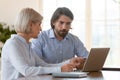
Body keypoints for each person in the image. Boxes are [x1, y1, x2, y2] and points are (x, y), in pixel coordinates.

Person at [1, 8, 83, 80]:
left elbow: (44, 65)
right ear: (30, 24)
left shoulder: (27, 45)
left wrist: (69, 62)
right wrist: (60, 69)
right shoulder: (12, 44)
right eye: (39, 24)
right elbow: (26, 71)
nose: (41, 29)